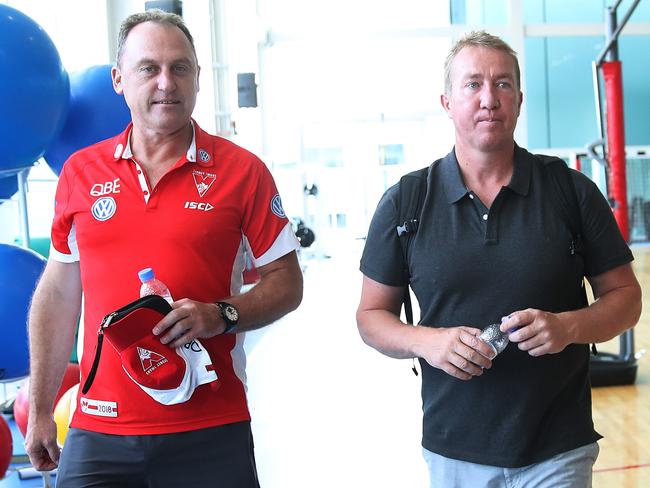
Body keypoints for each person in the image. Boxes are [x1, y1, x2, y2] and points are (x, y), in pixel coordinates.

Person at [25, 9, 302, 487]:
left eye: (180, 68)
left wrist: (222, 314)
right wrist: (41, 408)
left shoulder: (243, 172)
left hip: (211, 427)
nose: (166, 83)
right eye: (148, 68)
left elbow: (288, 283)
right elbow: (58, 294)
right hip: (100, 427)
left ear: (198, 77)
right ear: (118, 79)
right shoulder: (79, 173)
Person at [357, 30, 641, 487]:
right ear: (447, 101)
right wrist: (428, 342)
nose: (489, 98)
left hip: (558, 447)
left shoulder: (571, 192)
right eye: (473, 84)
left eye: (502, 83)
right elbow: (371, 316)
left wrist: (567, 327)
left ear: (520, 99)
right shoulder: (406, 201)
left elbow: (626, 298)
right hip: (455, 449)